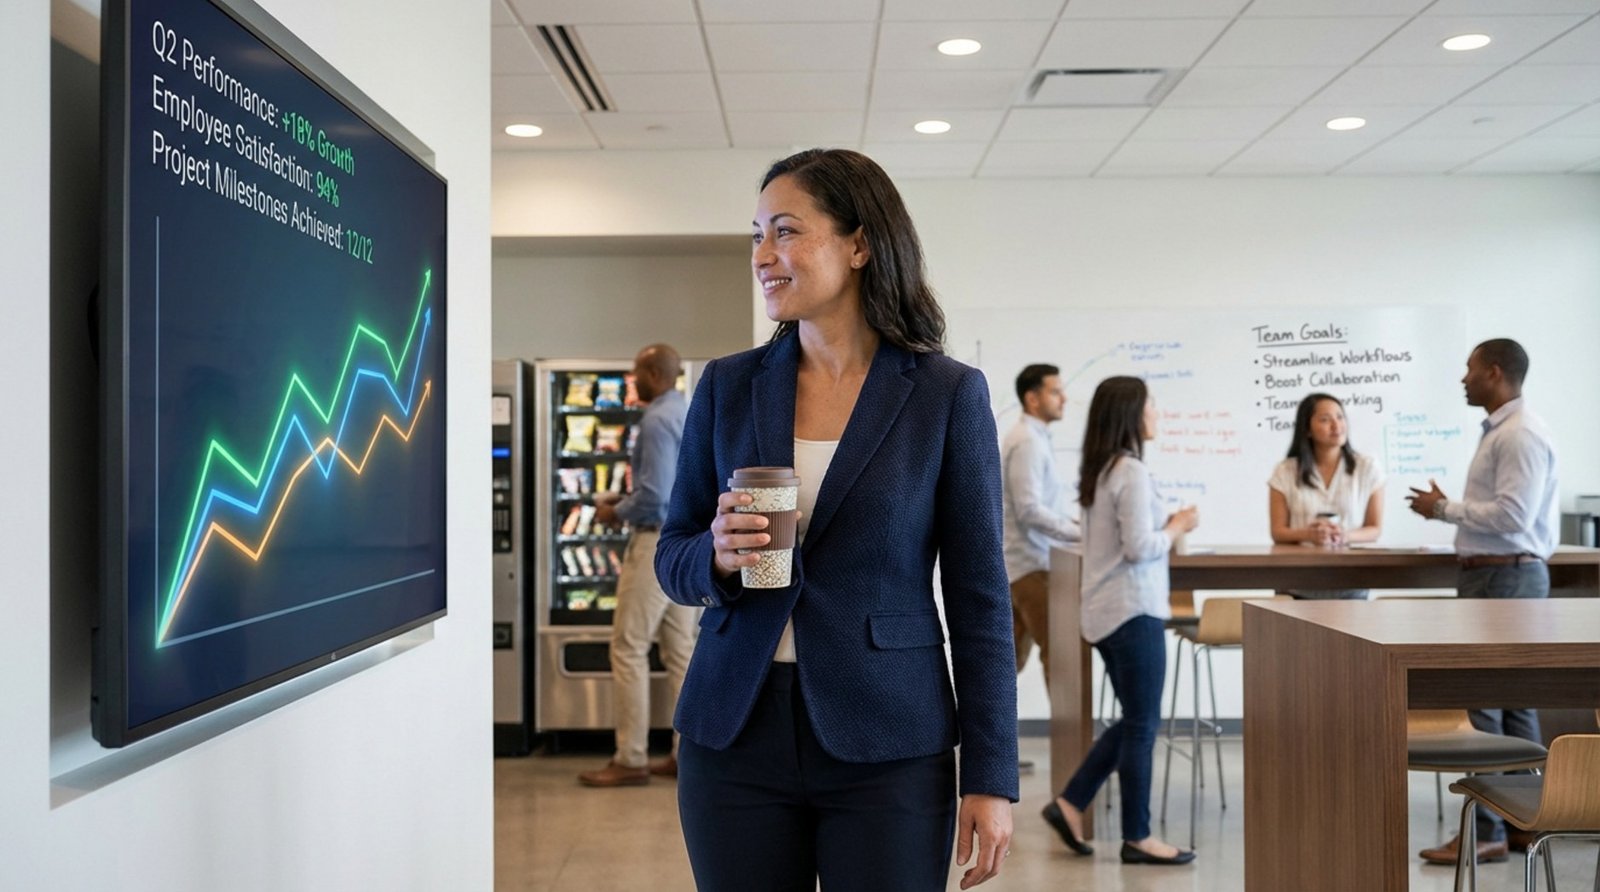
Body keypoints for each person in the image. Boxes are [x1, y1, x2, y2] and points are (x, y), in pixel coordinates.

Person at [654, 148, 1017, 891]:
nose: (763, 256)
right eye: (756, 234)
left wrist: (992, 776)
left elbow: (980, 596)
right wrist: (716, 555)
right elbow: (674, 551)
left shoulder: (945, 395)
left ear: (859, 244)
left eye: (784, 231)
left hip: (889, 737)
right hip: (734, 730)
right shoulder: (727, 385)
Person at [1409, 338, 1558, 866]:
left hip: (1503, 579)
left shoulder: (1517, 435)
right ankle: (1522, 824)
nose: (1463, 378)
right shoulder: (1507, 431)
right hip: (1504, 577)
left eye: (1470, 369)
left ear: (1494, 373)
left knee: (1486, 703)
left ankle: (1489, 829)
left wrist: (1444, 508)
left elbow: (1513, 517)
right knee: (1514, 701)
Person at [1042, 375, 1199, 867]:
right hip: (1132, 609)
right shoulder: (1129, 472)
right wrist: (1176, 526)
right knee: (1143, 726)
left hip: (1110, 611)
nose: (1157, 416)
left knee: (1135, 720)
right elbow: (1139, 547)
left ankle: (1069, 803)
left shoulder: (1104, 469)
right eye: (1152, 407)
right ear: (1133, 414)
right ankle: (1138, 836)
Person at [577, 344, 696, 787]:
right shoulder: (685, 410)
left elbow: (653, 496)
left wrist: (614, 511)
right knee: (680, 650)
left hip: (653, 545)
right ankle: (687, 754)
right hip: (686, 546)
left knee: (628, 648)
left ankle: (630, 758)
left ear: (652, 372)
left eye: (635, 373)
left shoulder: (654, 421)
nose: (633, 381)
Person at [1002, 364, 1082, 679]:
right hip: (1031, 564)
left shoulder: (1035, 438)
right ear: (1032, 399)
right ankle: (1066, 732)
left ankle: (976, 729)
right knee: (1061, 652)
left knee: (1009, 662)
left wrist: (1068, 524)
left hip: (1028, 562)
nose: (1064, 398)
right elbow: (1030, 509)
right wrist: (1077, 532)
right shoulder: (1027, 442)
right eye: (1055, 391)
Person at [1267, 392, 1386, 599]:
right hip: (1296, 580)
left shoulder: (1367, 467)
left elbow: (1374, 529)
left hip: (1350, 579)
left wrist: (1345, 536)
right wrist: (1308, 535)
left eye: (1340, 417)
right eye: (1325, 419)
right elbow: (1278, 532)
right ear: (1307, 429)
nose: (1336, 425)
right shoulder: (1285, 471)